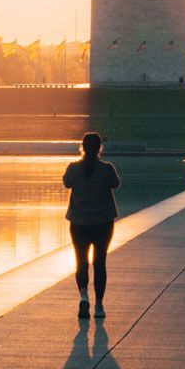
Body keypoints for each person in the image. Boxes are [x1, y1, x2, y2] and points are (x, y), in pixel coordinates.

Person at [62, 131, 120, 320]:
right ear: (99, 149)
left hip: (79, 223)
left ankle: (84, 296)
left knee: (81, 262)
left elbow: (66, 183)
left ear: (83, 147)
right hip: (103, 223)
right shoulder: (107, 169)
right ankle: (99, 306)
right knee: (100, 263)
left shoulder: (73, 168)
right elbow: (116, 184)